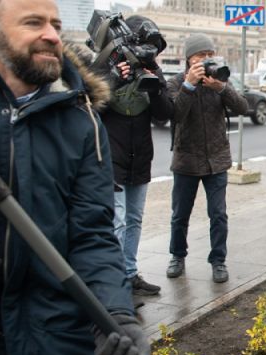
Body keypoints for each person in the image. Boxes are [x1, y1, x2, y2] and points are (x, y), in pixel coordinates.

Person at [0, 0, 150, 355]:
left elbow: (92, 235)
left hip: (57, 352)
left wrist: (115, 312)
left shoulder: (80, 118)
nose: (52, 34)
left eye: (54, 22)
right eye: (33, 23)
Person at [165, 33, 248, 282]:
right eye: (202, 55)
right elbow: (175, 114)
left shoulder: (218, 80)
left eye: (210, 55)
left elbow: (242, 107)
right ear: (189, 59)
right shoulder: (176, 83)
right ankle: (177, 256)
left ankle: (218, 261)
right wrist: (189, 86)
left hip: (217, 159)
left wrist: (221, 88)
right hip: (186, 160)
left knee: (219, 215)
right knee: (180, 214)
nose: (207, 60)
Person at [100, 15, 172, 297]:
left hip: (140, 155)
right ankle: (115, 282)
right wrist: (115, 79)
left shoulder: (152, 69)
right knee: (116, 221)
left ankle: (129, 274)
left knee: (134, 219)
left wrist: (153, 80)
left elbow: (165, 114)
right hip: (112, 156)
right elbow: (90, 107)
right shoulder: (106, 66)